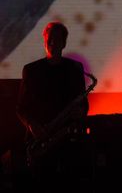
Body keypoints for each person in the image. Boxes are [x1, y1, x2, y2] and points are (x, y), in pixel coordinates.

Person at [16, 21, 89, 193]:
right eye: (50, 39)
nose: (53, 43)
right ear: (45, 41)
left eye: (57, 39)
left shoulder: (74, 69)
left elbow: (83, 103)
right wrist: (32, 125)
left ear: (64, 43)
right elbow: (21, 108)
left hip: (68, 143)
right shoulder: (32, 70)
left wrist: (81, 111)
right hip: (40, 141)